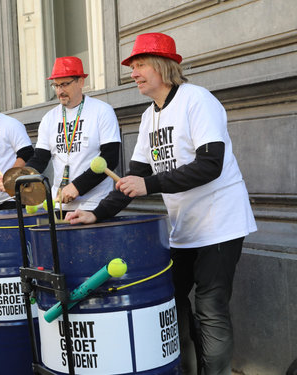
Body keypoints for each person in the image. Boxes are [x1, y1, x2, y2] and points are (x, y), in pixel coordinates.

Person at [66, 33, 257, 375]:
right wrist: (96, 213)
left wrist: (149, 184)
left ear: (164, 67)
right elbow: (133, 177)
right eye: (133, 67)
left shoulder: (197, 100)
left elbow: (210, 164)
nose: (133, 73)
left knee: (210, 306)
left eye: (140, 65)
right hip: (185, 228)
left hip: (221, 223)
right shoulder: (148, 117)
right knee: (171, 298)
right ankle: (183, 368)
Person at [25, 56, 121, 212]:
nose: (60, 91)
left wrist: (78, 186)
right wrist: (20, 176)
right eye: (55, 85)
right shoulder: (49, 118)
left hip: (95, 204)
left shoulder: (102, 111)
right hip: (59, 204)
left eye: (64, 84)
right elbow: (40, 159)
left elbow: (110, 158)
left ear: (81, 82)